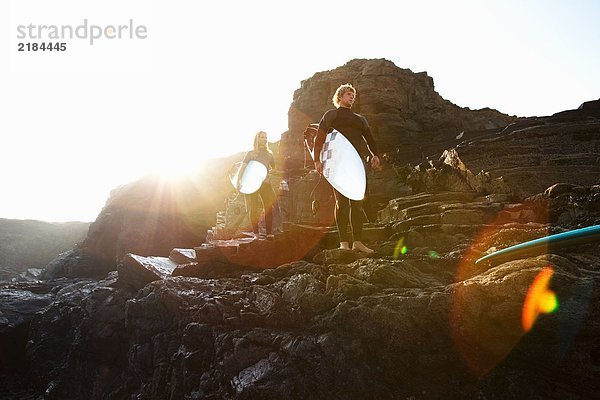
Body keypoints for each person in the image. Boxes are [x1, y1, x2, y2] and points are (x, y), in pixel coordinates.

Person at [314, 83, 380, 253]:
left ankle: (357, 241)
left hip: (356, 164)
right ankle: (343, 242)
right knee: (342, 203)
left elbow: (369, 139)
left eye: (353, 95)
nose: (352, 97)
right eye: (349, 94)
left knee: (357, 202)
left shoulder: (360, 119)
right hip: (337, 164)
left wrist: (375, 155)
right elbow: (319, 139)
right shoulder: (331, 115)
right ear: (340, 97)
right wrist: (317, 160)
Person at [237, 131, 277, 240]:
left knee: (268, 208)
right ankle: (256, 234)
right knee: (253, 209)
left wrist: (266, 172)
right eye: (262, 137)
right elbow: (243, 167)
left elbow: (274, 167)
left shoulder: (269, 154)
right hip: (252, 184)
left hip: (265, 184)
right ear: (257, 139)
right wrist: (238, 181)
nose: (264, 139)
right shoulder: (251, 153)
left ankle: (269, 233)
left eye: (265, 137)